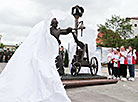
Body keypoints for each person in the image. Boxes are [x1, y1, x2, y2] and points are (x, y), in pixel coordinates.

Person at [0, 10, 71, 102]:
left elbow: (64, 31)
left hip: (54, 50)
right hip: (48, 51)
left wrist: (69, 30)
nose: (56, 23)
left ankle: (60, 73)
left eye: (56, 22)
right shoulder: (47, 30)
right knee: (47, 68)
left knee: (57, 63)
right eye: (54, 21)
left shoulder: (57, 30)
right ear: (51, 23)